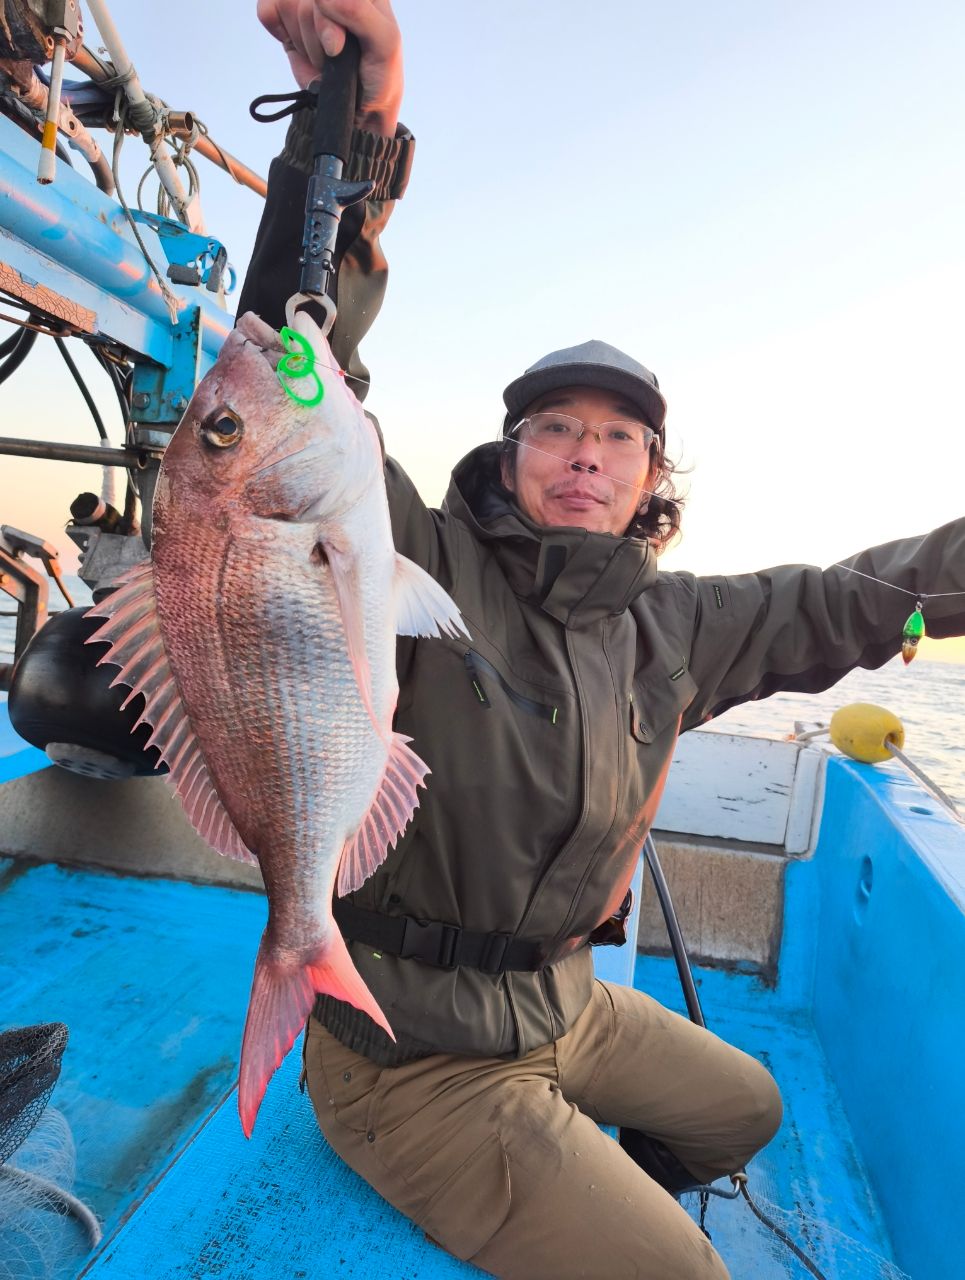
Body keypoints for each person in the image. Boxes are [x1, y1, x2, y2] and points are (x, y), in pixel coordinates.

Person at [240, 5, 965, 1277]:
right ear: (507, 453)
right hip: (408, 1053)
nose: (585, 451)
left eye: (618, 437)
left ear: (649, 478)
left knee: (748, 1107)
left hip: (563, 1005)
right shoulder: (409, 549)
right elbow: (295, 365)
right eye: (555, 428)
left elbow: (860, 594)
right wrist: (349, 129)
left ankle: (568, 1193)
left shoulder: (678, 624)